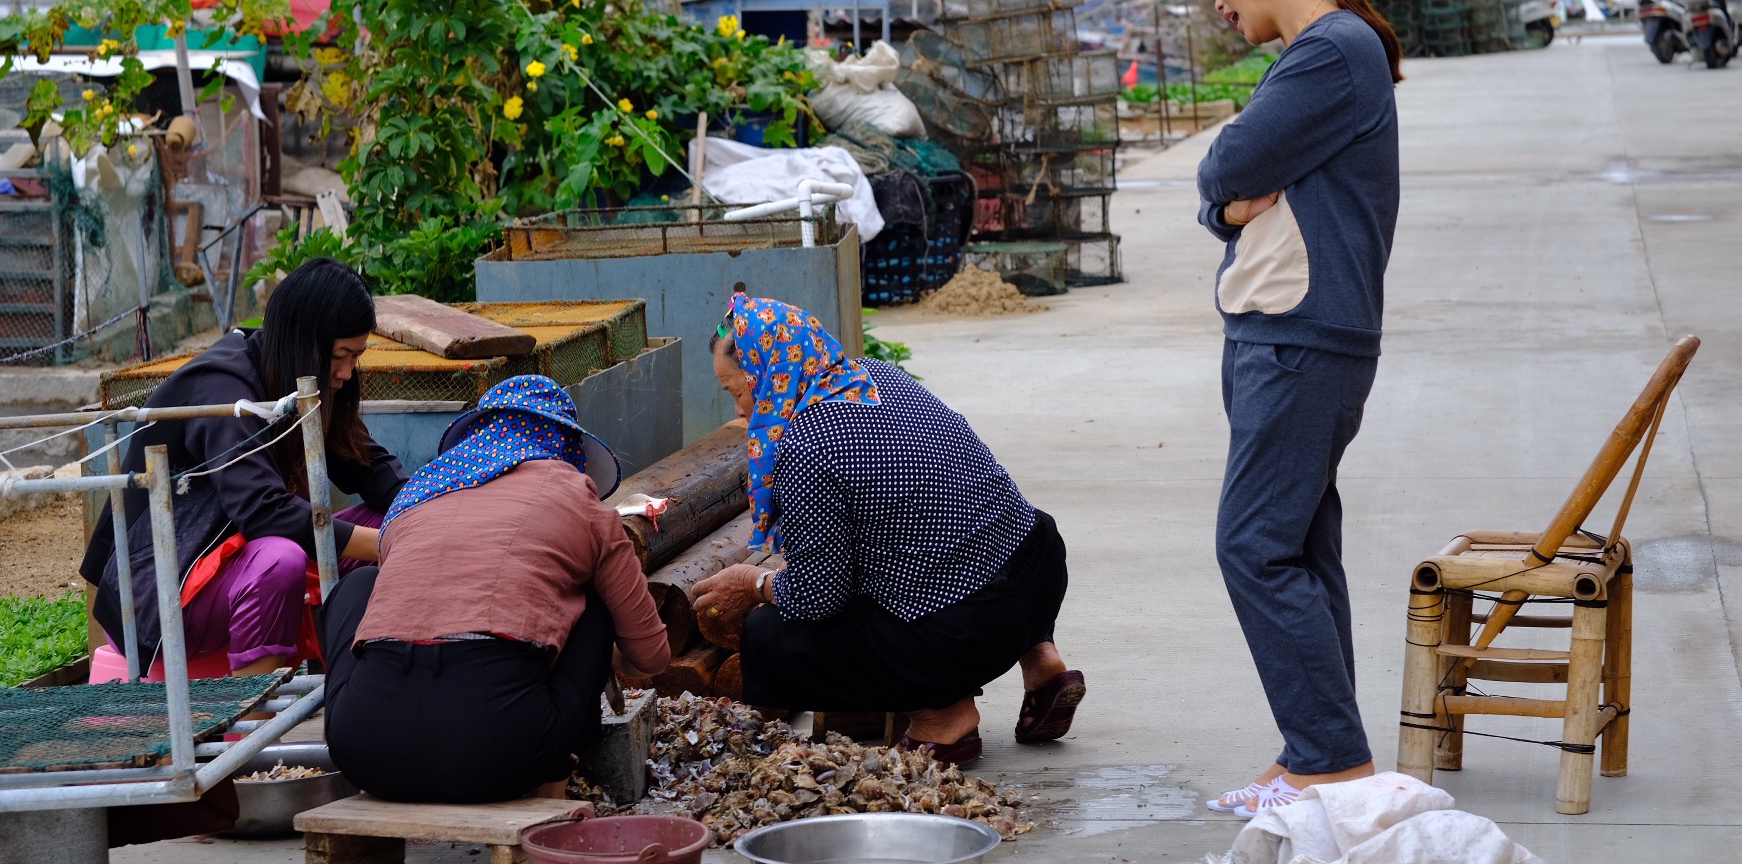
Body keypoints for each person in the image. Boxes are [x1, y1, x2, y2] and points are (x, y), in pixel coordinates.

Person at [1193, 0, 1401, 816]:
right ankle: (1321, 756)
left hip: (1300, 337)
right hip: (1284, 334)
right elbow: (1222, 202)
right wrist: (1225, 199)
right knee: (1300, 550)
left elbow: (1226, 169)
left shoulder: (1330, 52)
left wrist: (1227, 190)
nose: (1218, 2)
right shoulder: (1314, 54)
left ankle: (1329, 761)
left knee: (1253, 545)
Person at [689, 293, 1083, 765]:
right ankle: (1042, 663)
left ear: (771, 372)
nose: (741, 412)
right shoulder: (875, 374)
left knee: (770, 637)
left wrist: (753, 584)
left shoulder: (806, 443)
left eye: (739, 392)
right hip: (1038, 567)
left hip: (968, 628)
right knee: (970, 540)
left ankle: (944, 718)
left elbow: (819, 595)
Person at [321, 375, 671, 803]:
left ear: (476, 438)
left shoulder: (413, 497)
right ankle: (551, 783)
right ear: (564, 447)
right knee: (594, 607)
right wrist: (594, 652)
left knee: (359, 583)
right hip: (500, 752)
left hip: (366, 751)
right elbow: (651, 656)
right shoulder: (582, 501)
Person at [80, 257, 402, 678]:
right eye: (341, 356)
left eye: (355, 357)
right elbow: (263, 510)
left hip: (236, 565)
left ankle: (370, 685)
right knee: (280, 560)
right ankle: (252, 730)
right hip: (163, 590)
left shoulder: (294, 377)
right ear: (306, 344)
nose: (346, 372)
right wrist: (385, 544)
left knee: (394, 517)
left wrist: (419, 514)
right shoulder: (224, 386)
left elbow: (365, 462)